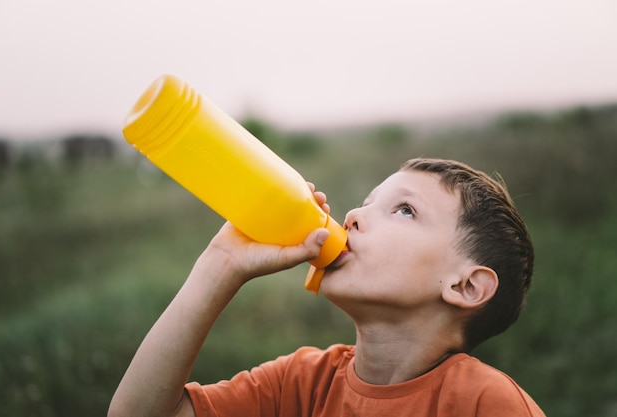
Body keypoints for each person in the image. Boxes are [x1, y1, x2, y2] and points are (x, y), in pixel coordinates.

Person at [108, 157, 545, 417]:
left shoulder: (486, 404)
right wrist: (220, 266)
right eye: (368, 201)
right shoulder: (300, 385)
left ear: (466, 286)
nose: (353, 214)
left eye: (405, 210)